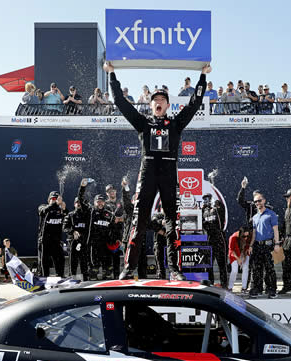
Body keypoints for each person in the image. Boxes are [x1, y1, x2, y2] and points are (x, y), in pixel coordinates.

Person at [105, 61, 210, 281]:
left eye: (162, 100)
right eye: (155, 100)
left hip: (169, 173)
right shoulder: (143, 124)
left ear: (168, 104)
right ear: (150, 105)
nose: (158, 102)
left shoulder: (175, 124)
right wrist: (112, 75)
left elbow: (194, 103)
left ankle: (175, 269)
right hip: (148, 173)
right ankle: (130, 268)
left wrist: (202, 77)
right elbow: (120, 102)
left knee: (173, 221)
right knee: (139, 219)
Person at [78, 180, 115, 280]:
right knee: (94, 269)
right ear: (94, 202)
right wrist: (82, 187)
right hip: (93, 245)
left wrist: (115, 240)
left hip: (106, 246)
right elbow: (81, 200)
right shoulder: (90, 211)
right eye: (98, 201)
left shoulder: (109, 214)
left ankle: (108, 290)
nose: (100, 203)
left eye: (102, 201)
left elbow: (113, 229)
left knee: (108, 269)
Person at [249, 190, 280, 299]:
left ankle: (271, 289)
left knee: (269, 268)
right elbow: (254, 233)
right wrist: (251, 245)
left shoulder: (271, 214)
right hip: (257, 246)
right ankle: (257, 289)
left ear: (264, 201)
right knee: (257, 268)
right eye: (256, 201)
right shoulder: (255, 217)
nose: (258, 203)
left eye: (259, 200)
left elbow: (276, 230)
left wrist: (277, 244)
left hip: (268, 246)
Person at [37, 191, 66, 277]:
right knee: (44, 261)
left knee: (60, 258)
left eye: (56, 199)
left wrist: (64, 209)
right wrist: (54, 204)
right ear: (48, 199)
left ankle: (60, 276)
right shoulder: (43, 207)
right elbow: (43, 211)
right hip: (44, 240)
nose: (55, 200)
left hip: (56, 240)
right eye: (53, 199)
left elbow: (67, 219)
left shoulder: (60, 209)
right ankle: (43, 277)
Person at [201, 193, 227, 287]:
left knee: (222, 264)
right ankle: (210, 284)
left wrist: (215, 204)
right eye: (204, 199)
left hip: (220, 237)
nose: (206, 201)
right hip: (209, 239)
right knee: (208, 264)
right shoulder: (203, 211)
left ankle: (224, 285)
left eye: (208, 199)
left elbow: (221, 215)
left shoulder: (218, 207)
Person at [64, 196, 91, 280]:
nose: (78, 204)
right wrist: (73, 232)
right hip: (73, 242)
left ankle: (86, 280)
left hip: (84, 242)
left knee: (84, 263)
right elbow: (65, 227)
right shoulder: (70, 215)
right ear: (74, 204)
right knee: (73, 263)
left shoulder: (87, 215)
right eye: (77, 202)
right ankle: (72, 279)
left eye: (80, 203)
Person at [104, 184, 126, 280]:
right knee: (108, 260)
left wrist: (120, 219)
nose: (111, 192)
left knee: (118, 259)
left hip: (120, 235)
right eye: (109, 191)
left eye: (113, 190)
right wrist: (112, 219)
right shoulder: (104, 204)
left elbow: (128, 216)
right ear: (107, 193)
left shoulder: (121, 203)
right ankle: (107, 281)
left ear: (116, 191)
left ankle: (118, 278)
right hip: (108, 235)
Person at [228, 226, 253, 293]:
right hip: (234, 254)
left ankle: (244, 287)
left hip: (243, 253)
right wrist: (238, 259)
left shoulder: (248, 237)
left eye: (247, 236)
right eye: (244, 236)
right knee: (235, 270)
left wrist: (244, 256)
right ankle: (230, 287)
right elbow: (231, 250)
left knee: (245, 268)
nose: (246, 238)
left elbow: (247, 247)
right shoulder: (233, 237)